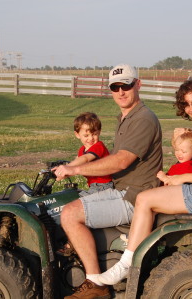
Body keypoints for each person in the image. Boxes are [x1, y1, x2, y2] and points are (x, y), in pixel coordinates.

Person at [98, 79, 192, 285]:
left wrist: (180, 178)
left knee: (144, 199)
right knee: (150, 197)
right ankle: (138, 254)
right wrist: (189, 135)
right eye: (187, 104)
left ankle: (127, 263)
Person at [53, 63, 163, 299]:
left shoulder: (143, 118)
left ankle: (94, 283)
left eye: (127, 85)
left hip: (133, 196)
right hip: (122, 189)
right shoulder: (127, 117)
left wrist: (73, 169)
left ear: (138, 84)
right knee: (70, 202)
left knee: (69, 214)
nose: (121, 91)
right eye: (115, 87)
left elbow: (121, 161)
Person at [68, 112, 113, 197]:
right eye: (86, 135)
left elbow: (86, 158)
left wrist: (68, 167)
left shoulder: (99, 146)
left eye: (94, 134)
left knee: (78, 202)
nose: (91, 138)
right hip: (93, 186)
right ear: (77, 135)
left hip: (103, 186)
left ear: (99, 132)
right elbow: (77, 161)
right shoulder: (82, 150)